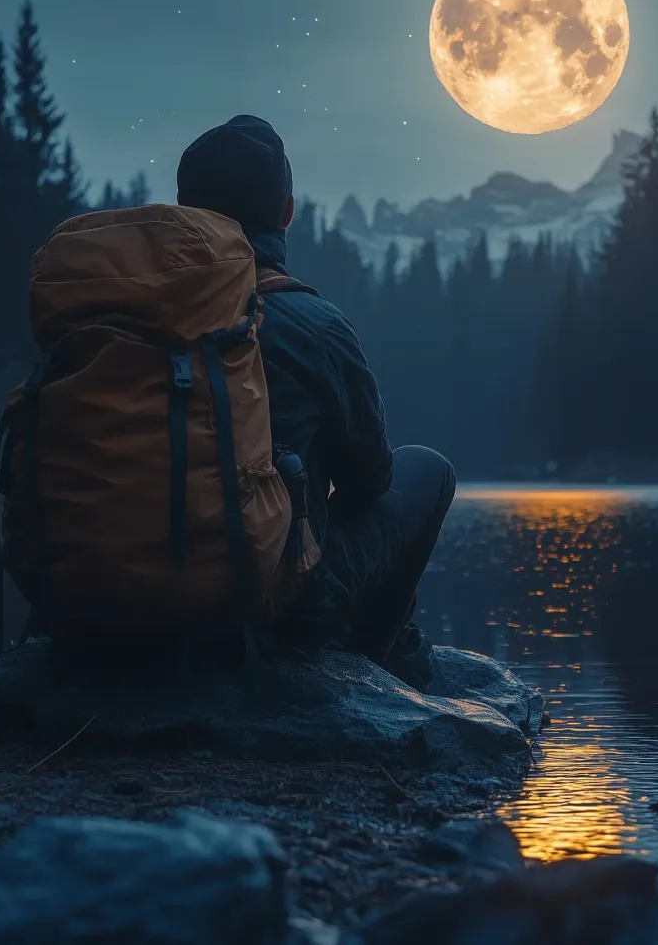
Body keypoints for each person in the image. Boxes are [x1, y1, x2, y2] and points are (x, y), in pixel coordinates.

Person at [176, 114, 456, 690]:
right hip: (267, 613)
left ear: (182, 210)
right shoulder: (311, 325)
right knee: (426, 470)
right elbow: (370, 482)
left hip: (109, 589)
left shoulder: (118, 311)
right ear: (287, 212)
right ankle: (386, 664)